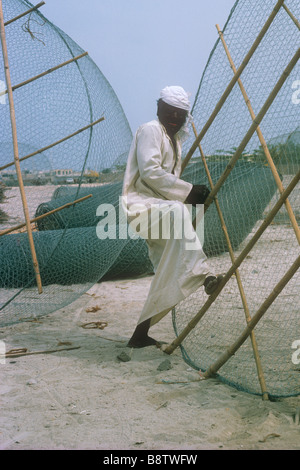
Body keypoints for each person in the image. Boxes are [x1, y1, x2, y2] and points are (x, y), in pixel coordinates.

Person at [122, 86, 222, 348]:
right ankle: (205, 276)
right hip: (140, 207)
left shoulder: (175, 140)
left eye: (180, 114)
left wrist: (189, 194)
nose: (174, 118)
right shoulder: (150, 130)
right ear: (158, 109)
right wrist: (188, 192)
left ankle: (139, 334)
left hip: (160, 209)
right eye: (169, 113)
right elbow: (150, 171)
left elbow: (168, 184)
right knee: (179, 210)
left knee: (168, 268)